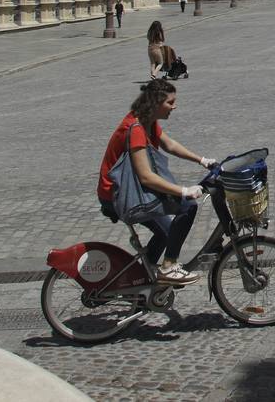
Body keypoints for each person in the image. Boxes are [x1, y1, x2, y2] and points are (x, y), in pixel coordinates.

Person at [97, 79, 227, 285]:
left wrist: (202, 160)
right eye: (170, 102)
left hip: (128, 190)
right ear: (155, 103)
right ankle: (169, 267)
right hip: (118, 195)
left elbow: (170, 144)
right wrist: (183, 191)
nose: (174, 107)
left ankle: (138, 281)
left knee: (167, 233)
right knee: (186, 207)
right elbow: (146, 177)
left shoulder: (146, 121)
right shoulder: (136, 129)